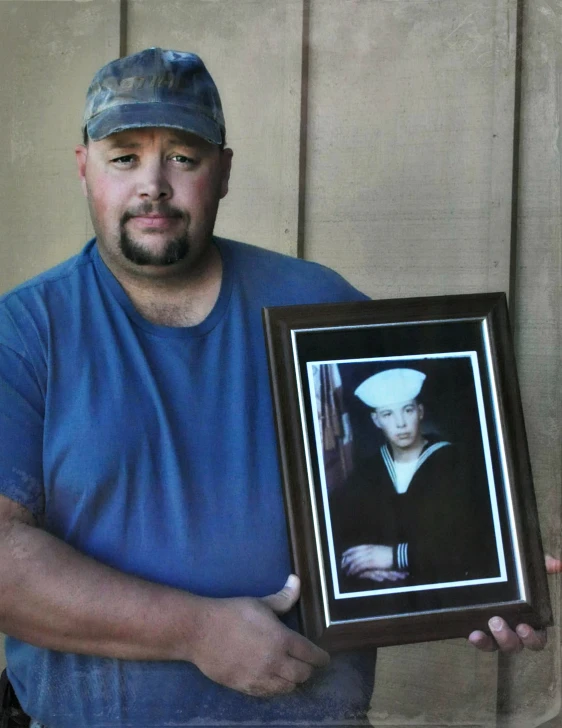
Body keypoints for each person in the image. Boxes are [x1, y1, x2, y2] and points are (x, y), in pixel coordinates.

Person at [0, 47, 553, 728]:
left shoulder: (321, 309)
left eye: (183, 156)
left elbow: (406, 492)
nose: (154, 186)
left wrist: (479, 575)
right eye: (124, 158)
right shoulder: (27, 331)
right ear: (84, 168)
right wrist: (195, 632)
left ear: (223, 172)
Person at [330, 367, 498, 593]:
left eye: (407, 410)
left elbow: (470, 543)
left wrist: (394, 556)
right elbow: (343, 534)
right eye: (388, 414)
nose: (400, 424)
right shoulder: (366, 473)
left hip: (446, 589)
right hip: (383, 593)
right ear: (376, 420)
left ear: (420, 412)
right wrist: (359, 565)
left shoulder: (455, 462)